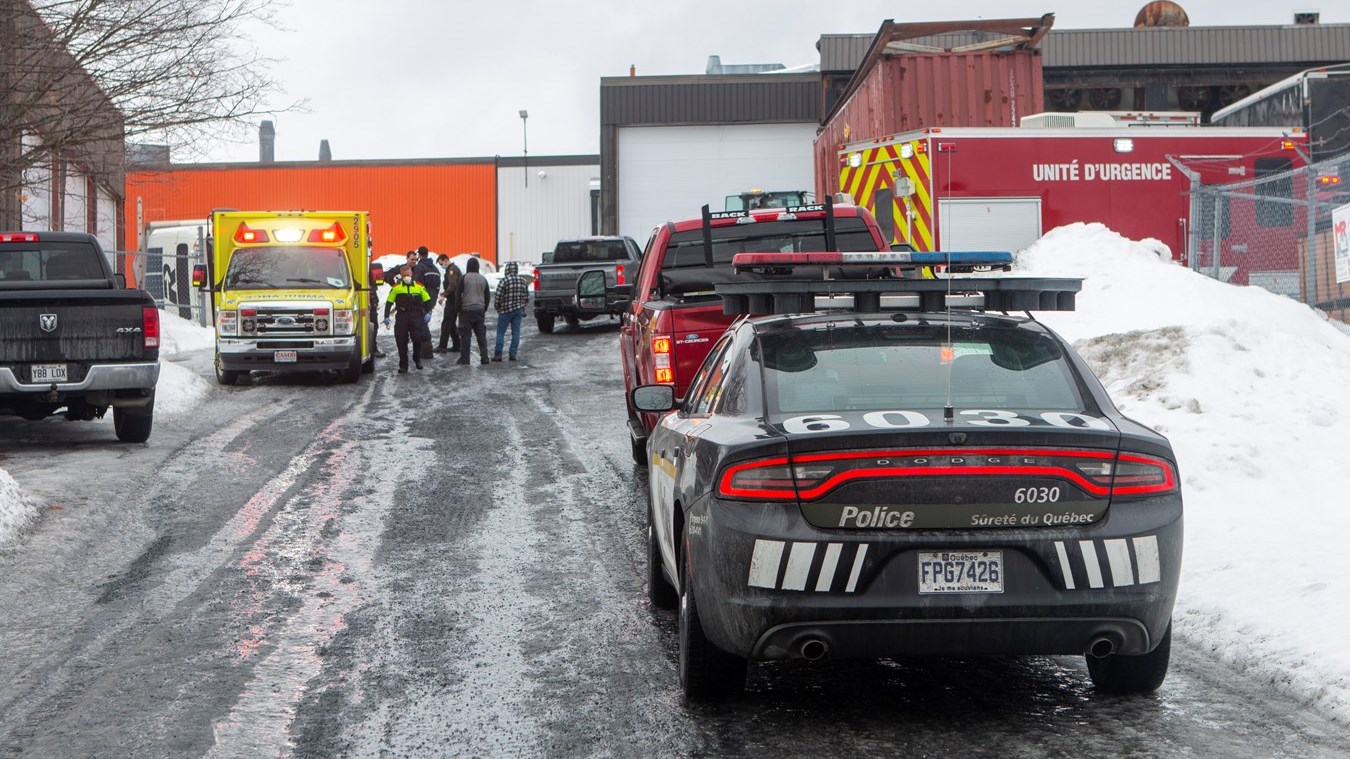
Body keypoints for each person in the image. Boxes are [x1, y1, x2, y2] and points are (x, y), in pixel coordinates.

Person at [383, 264, 432, 373]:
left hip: (416, 316)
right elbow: (389, 302)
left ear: (412, 274)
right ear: (401, 275)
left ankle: (417, 359)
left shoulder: (419, 286)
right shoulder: (396, 288)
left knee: (417, 338)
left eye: (408, 275)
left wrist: (429, 312)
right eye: (404, 275)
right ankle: (403, 365)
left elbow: (427, 300)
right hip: (402, 316)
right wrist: (386, 316)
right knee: (401, 340)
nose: (407, 277)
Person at [456, 256, 491, 365]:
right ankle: (485, 357)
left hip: (466, 310)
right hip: (479, 310)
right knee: (481, 336)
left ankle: (465, 359)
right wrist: (484, 308)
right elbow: (487, 296)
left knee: (465, 336)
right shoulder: (483, 279)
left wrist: (458, 309)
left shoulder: (463, 278)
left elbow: (458, 295)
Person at [492, 261, 529, 362]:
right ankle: (513, 354)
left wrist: (497, 307)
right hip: (518, 310)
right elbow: (526, 297)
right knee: (516, 332)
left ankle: (498, 355)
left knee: (500, 332)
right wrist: (522, 306)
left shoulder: (504, 281)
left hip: (505, 311)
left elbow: (498, 297)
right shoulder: (523, 281)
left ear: (507, 269)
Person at [413, 247, 439, 358]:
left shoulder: (419, 267)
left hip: (422, 300)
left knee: (421, 324)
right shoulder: (435, 269)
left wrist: (414, 299)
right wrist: (433, 300)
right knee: (424, 323)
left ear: (419, 255)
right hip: (431, 299)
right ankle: (425, 350)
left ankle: (426, 351)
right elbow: (438, 286)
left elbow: (416, 285)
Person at [436, 254, 462, 354]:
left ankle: (442, 346)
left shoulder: (452, 270)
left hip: (453, 300)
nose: (441, 266)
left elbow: (452, 285)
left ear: (446, 260)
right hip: (454, 300)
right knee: (451, 324)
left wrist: (443, 295)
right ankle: (457, 345)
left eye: (441, 263)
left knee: (446, 323)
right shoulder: (451, 269)